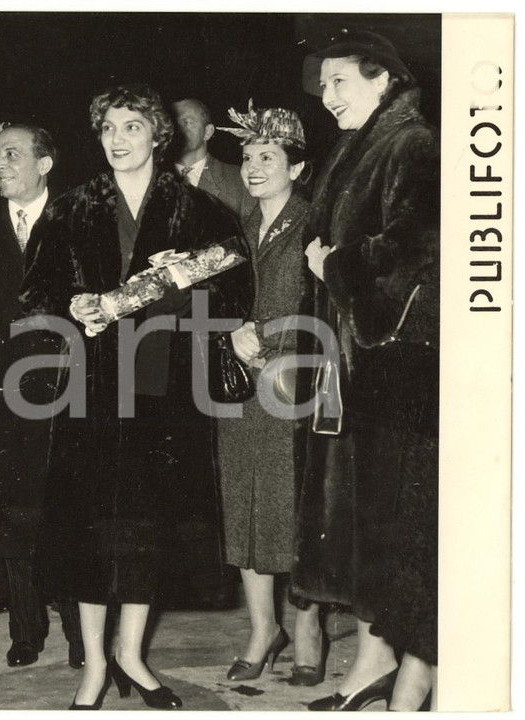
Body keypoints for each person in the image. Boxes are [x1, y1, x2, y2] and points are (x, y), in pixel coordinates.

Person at [21, 84, 252, 710]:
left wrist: (177, 287)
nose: (118, 140)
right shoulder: (72, 208)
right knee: (89, 531)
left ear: (158, 135)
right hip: (90, 391)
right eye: (107, 129)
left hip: (164, 394)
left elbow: (235, 297)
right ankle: (94, 665)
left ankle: (132, 655)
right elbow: (36, 289)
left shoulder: (200, 209)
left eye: (130, 127)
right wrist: (73, 305)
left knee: (147, 532)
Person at [294, 30, 439, 711]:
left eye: (339, 82)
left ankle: (388, 665)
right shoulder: (360, 143)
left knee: (388, 519)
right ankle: (375, 661)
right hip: (348, 359)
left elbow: (419, 241)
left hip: (392, 361)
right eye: (322, 86)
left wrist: (338, 266)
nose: (326, 98)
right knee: (361, 520)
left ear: (383, 81)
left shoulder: (412, 143)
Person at [0, 123, 83, 670]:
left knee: (70, 509)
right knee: (9, 510)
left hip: (70, 385)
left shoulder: (80, 218)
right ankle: (25, 627)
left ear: (45, 163)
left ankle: (82, 632)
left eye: (12, 153)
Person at [213, 103, 323, 683]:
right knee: (244, 506)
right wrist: (232, 328)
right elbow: (213, 301)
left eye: (268, 157)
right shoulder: (234, 229)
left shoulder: (315, 224)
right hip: (239, 387)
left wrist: (269, 334)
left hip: (295, 385)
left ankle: (306, 626)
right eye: (249, 157)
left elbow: (325, 309)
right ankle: (263, 628)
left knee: (294, 506)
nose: (254, 167)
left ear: (296, 168)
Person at [171, 97, 254, 222]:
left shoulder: (239, 180)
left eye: (187, 122)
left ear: (208, 132)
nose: (176, 130)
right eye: (172, 123)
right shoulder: (150, 176)